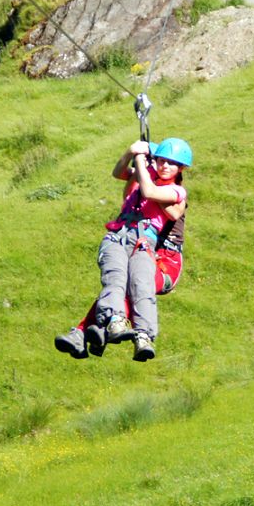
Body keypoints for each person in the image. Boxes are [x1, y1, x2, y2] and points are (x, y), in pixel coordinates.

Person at [55, 137, 192, 362]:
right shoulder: (139, 189)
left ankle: (98, 331)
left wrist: (141, 163)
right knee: (117, 280)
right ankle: (96, 330)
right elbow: (122, 175)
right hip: (136, 242)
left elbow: (150, 192)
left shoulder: (175, 193)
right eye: (160, 161)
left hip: (166, 261)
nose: (164, 166)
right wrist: (133, 152)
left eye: (170, 163)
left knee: (136, 285)